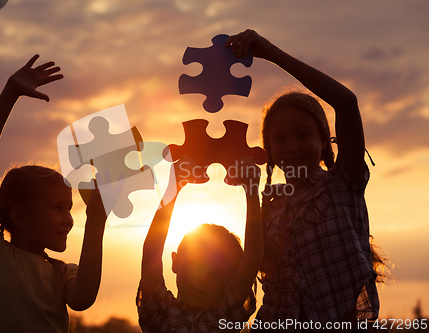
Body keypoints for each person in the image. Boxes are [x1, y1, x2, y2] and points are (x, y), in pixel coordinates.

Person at [226, 30, 381, 332]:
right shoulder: (268, 207)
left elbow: (347, 103)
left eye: (302, 134)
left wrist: (271, 53)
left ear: (325, 141)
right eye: (280, 138)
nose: (292, 146)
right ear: (269, 150)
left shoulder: (342, 184)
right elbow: (252, 265)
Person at [0, 55, 107, 333]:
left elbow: (82, 300)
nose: (68, 219)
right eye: (58, 208)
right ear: (19, 216)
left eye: (69, 209)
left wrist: (96, 221)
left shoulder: (62, 273)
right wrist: (11, 92)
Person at [137, 158, 264, 332]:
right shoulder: (160, 310)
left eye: (216, 275)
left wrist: (251, 191)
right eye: (196, 265)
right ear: (175, 262)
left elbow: (251, 261)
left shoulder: (226, 315)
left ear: (230, 280)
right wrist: (173, 187)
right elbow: (151, 250)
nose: (202, 279)